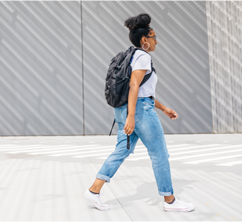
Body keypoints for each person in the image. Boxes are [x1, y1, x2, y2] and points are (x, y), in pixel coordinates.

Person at [83, 13, 195, 212]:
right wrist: (132, 117)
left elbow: (142, 91)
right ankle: (170, 201)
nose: (156, 41)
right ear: (144, 40)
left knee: (121, 151)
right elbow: (134, 86)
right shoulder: (143, 56)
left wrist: (163, 108)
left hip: (125, 108)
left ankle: (93, 191)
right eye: (153, 37)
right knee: (160, 154)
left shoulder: (129, 55)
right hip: (139, 112)